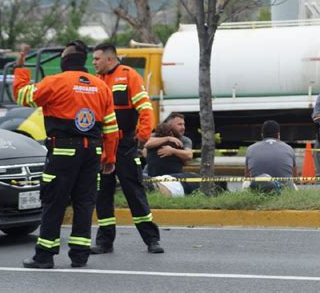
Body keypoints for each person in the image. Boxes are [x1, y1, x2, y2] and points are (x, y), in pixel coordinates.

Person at [13, 41, 119, 268]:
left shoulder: (55, 82)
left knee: (54, 201)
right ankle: (79, 255)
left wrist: (21, 69)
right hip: (92, 152)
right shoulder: (101, 87)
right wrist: (109, 158)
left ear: (65, 61)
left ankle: (44, 256)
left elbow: (23, 96)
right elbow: (111, 127)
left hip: (63, 150)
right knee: (84, 203)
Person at [91, 43, 164, 254]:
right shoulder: (96, 81)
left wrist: (142, 137)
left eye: (97, 59)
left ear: (110, 59)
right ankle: (105, 242)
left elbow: (145, 109)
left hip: (124, 146)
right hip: (103, 147)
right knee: (102, 194)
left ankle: (152, 239)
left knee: (134, 192)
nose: (94, 63)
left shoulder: (129, 75)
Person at [245, 120, 297, 193]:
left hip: (259, 190)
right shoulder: (288, 148)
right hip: (284, 191)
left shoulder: (250, 149)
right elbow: (294, 176)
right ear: (278, 135)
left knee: (246, 183)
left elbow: (247, 175)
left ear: (262, 135)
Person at [144, 112, 193, 176]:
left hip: (173, 176)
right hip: (151, 174)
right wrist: (168, 139)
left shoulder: (184, 140)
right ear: (170, 125)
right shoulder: (155, 136)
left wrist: (172, 151)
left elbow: (189, 155)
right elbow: (146, 144)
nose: (183, 127)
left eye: (183, 124)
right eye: (179, 124)